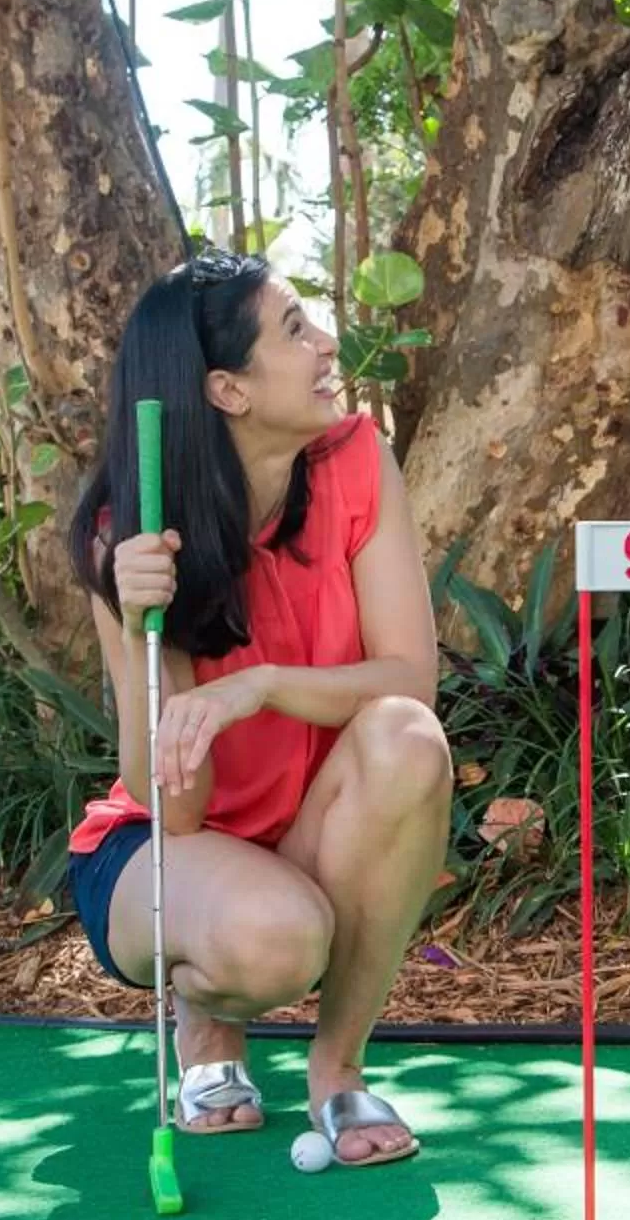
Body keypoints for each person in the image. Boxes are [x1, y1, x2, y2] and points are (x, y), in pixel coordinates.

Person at [65, 251, 452, 1165]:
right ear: (228, 390)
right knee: (276, 940)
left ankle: (339, 1072)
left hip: (306, 820)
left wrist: (263, 684)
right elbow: (176, 806)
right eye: (295, 331)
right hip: (166, 851)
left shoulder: (357, 460)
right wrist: (138, 623)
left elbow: (410, 677)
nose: (326, 345)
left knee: (409, 738)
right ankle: (203, 1019)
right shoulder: (130, 530)